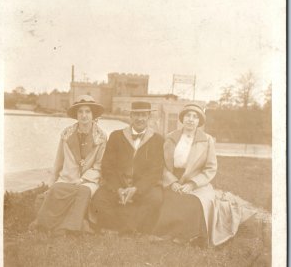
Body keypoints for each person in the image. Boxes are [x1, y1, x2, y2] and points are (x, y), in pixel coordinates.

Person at [151, 103, 256, 246]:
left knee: (195, 201)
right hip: (172, 178)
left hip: (197, 181)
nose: (191, 119)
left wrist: (192, 184)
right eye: (188, 115)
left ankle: (186, 235)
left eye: (195, 117)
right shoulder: (171, 137)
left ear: (199, 121)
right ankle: (166, 232)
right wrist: (172, 182)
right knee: (168, 197)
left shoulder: (207, 140)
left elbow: (210, 168)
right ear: (182, 118)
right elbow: (162, 164)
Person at [30, 95, 107, 237]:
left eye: (87, 111)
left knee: (84, 191)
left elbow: (99, 165)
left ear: (93, 114)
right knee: (58, 188)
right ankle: (45, 224)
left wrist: (83, 179)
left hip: (89, 180)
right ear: (76, 115)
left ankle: (67, 228)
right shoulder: (66, 134)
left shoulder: (101, 137)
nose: (84, 115)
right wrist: (52, 182)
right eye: (80, 112)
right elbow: (59, 161)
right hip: (68, 176)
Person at [92, 101, 164, 234]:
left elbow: (155, 171)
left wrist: (137, 189)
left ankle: (120, 229)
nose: (140, 118)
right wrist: (118, 188)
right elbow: (107, 167)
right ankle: (130, 228)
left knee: (155, 199)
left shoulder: (158, 140)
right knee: (99, 199)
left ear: (149, 116)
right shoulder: (116, 136)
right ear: (130, 116)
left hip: (142, 188)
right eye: (136, 114)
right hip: (118, 185)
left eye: (143, 115)